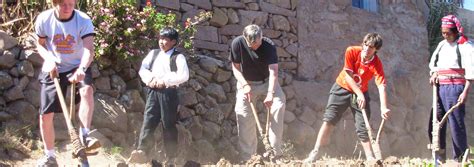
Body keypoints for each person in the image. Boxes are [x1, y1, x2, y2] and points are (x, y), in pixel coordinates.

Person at [304, 33, 391, 163]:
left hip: (361, 94)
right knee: (329, 119)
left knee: (363, 126)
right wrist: (360, 94)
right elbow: (348, 76)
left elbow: (381, 85)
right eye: (365, 45)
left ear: (376, 50)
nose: (367, 49)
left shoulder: (377, 64)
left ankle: (370, 158)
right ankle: (315, 151)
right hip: (342, 88)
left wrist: (384, 107)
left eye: (371, 47)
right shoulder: (351, 51)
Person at [35, 0, 100, 165]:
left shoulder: (83, 20)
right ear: (54, 3)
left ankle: (85, 137)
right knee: (45, 115)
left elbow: (89, 49)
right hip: (53, 66)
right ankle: (50, 157)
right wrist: (49, 59)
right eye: (63, 4)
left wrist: (82, 69)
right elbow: (40, 44)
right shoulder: (44, 19)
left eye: (71, 4)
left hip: (77, 66)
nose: (68, 8)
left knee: (87, 91)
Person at [128, 27, 189, 164]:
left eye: (165, 39)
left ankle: (171, 158)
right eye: (160, 38)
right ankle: (142, 151)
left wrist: (165, 81)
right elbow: (143, 69)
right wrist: (151, 79)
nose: (162, 42)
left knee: (168, 124)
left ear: (173, 42)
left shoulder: (178, 57)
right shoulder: (154, 54)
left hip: (169, 93)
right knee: (149, 120)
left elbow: (184, 76)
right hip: (153, 92)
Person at [229, 24, 286, 161]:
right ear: (245, 39)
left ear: (262, 37)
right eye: (252, 45)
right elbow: (235, 68)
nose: (256, 47)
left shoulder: (268, 46)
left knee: (278, 106)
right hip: (246, 82)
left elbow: (273, 71)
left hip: (267, 81)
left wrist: (270, 94)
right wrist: (245, 85)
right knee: (242, 113)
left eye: (258, 43)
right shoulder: (237, 44)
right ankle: (249, 157)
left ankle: (275, 153)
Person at [428, 14, 474, 162]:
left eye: (448, 33)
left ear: (455, 31)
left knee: (456, 123)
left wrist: (465, 91)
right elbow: (434, 62)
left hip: (456, 88)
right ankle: (439, 159)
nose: (445, 36)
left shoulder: (465, 46)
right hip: (440, 87)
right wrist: (434, 73)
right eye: (443, 33)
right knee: (435, 123)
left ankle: (459, 160)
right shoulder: (442, 45)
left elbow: (471, 70)